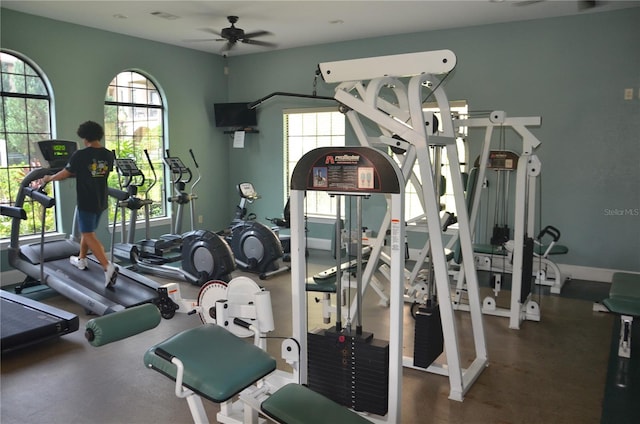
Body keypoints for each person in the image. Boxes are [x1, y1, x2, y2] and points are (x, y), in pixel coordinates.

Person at [42, 121, 118, 288]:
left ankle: (107, 267)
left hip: (86, 200)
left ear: (85, 138)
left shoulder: (80, 155)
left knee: (88, 234)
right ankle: (81, 260)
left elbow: (65, 173)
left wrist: (49, 178)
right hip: (101, 200)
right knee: (87, 231)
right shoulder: (108, 154)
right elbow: (96, 172)